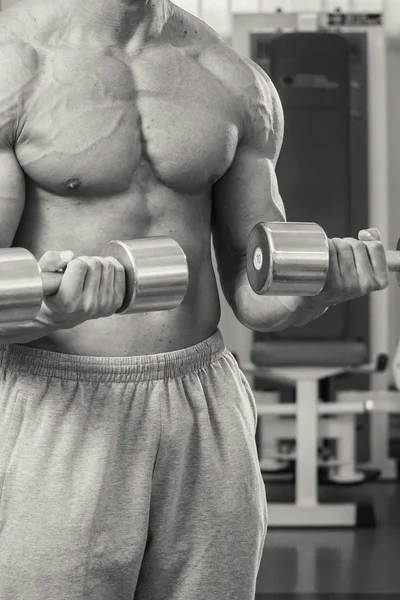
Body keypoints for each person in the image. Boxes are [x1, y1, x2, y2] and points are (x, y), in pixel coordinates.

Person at [0, 0, 389, 598]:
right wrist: (54, 310)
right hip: (53, 401)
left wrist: (317, 295)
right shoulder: (12, 64)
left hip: (203, 401)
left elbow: (252, 285)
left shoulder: (230, 77)